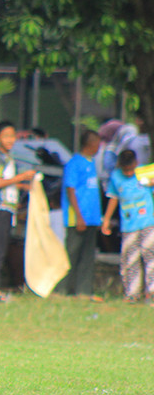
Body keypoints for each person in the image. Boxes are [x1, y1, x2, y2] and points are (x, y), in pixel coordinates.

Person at [0, 121, 34, 302]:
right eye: (5, 136)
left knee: (1, 249)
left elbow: (7, 182)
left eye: (12, 136)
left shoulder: (7, 157)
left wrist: (23, 186)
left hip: (7, 210)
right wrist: (22, 177)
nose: (10, 140)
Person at [101, 149, 154, 302]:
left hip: (148, 222)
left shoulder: (145, 172)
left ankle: (151, 293)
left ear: (136, 163)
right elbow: (113, 198)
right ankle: (132, 294)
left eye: (131, 169)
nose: (129, 173)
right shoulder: (116, 177)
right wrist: (106, 220)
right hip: (128, 226)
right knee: (130, 260)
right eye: (126, 170)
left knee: (151, 258)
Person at [60, 129, 102, 300]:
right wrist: (78, 216)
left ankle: (83, 291)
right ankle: (62, 289)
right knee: (72, 253)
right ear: (90, 144)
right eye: (97, 143)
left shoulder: (92, 162)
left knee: (87, 256)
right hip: (78, 218)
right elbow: (70, 190)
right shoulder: (74, 163)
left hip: (92, 218)